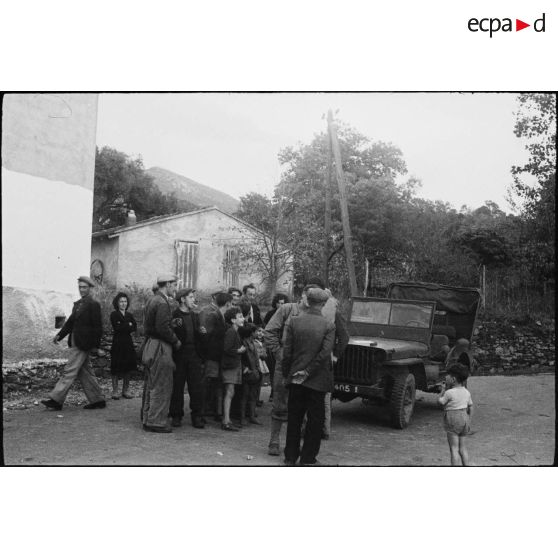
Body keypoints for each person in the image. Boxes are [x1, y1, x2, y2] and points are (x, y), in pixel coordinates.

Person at [263, 283, 321, 455]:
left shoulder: (318, 314)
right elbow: (270, 331)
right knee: (280, 401)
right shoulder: (287, 309)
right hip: (285, 364)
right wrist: (279, 353)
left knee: (304, 405)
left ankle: (299, 444)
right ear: (302, 295)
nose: (312, 300)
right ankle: (274, 440)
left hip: (306, 366)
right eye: (309, 296)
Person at [282, 288, 335, 466]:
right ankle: (308, 458)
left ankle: (290, 456)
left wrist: (287, 374)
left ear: (308, 301)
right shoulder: (328, 325)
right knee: (315, 421)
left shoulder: (294, 322)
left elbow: (287, 352)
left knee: (294, 418)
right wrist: (309, 371)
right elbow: (325, 353)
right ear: (323, 304)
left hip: (295, 378)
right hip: (317, 381)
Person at [42, 276, 106, 411]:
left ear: (90, 288)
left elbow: (97, 327)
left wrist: (96, 346)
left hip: (83, 344)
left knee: (69, 371)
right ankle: (98, 400)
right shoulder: (78, 304)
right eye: (80, 287)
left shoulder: (93, 304)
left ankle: (56, 399)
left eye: (84, 287)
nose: (82, 290)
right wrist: (59, 335)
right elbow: (70, 322)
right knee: (85, 372)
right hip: (76, 341)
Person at [306, 277, 350, 440]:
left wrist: (336, 356)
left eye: (316, 290)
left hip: (325, 358)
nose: (313, 293)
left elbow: (344, 336)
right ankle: (309, 427)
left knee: (324, 395)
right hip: (307, 356)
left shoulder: (334, 311)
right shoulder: (303, 309)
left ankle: (324, 429)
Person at [141, 274, 181, 433]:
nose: (175, 288)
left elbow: (155, 324)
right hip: (160, 347)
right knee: (162, 384)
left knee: (151, 384)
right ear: (168, 284)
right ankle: (156, 422)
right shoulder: (163, 302)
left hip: (151, 344)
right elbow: (162, 328)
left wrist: (171, 323)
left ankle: (148, 418)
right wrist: (175, 340)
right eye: (174, 285)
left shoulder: (153, 299)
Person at [169, 288, 205, 429]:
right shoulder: (175, 315)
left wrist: (202, 333)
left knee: (196, 387)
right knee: (177, 387)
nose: (193, 299)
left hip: (194, 355)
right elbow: (169, 333)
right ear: (182, 299)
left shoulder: (194, 316)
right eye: (190, 297)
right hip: (179, 355)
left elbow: (198, 336)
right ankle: (176, 415)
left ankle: (197, 416)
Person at [199, 291, 233, 421]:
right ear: (228, 303)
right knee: (207, 383)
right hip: (211, 356)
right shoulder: (213, 316)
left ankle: (216, 412)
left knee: (216, 384)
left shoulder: (222, 316)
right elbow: (205, 337)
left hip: (218, 356)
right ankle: (201, 412)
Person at [438, 363, 473, 466]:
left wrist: (443, 390)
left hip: (453, 420)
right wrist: (469, 421)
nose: (445, 376)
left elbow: (440, 402)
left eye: (447, 375)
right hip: (464, 419)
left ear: (453, 379)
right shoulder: (467, 392)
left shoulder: (449, 393)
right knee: (462, 448)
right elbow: (471, 407)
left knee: (454, 448)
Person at [221, 307, 246, 431]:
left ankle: (227, 419)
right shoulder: (231, 332)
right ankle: (226, 420)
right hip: (230, 366)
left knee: (231, 392)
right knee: (229, 392)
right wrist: (239, 350)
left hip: (234, 365)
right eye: (240, 316)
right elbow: (226, 349)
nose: (243, 319)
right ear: (232, 320)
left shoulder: (235, 331)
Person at [109, 292, 138, 400]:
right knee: (115, 366)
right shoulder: (114, 314)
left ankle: (126, 390)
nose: (123, 303)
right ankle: (115, 391)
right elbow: (117, 328)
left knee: (128, 366)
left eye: (125, 301)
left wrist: (125, 325)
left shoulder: (129, 315)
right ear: (117, 303)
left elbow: (134, 327)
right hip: (117, 343)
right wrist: (128, 325)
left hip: (128, 343)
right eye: (121, 301)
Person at [263, 293, 289, 402]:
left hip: (282, 346)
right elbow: (266, 328)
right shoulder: (270, 314)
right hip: (273, 346)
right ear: (276, 303)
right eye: (279, 303)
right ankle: (273, 392)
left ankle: (277, 393)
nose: (281, 305)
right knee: (273, 369)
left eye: (283, 303)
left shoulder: (287, 314)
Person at [239, 323, 263, 426]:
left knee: (253, 395)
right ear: (251, 333)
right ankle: (242, 417)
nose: (257, 333)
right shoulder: (244, 343)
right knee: (244, 395)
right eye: (255, 331)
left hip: (254, 372)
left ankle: (251, 416)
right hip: (248, 373)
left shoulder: (252, 342)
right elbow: (241, 358)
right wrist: (245, 369)